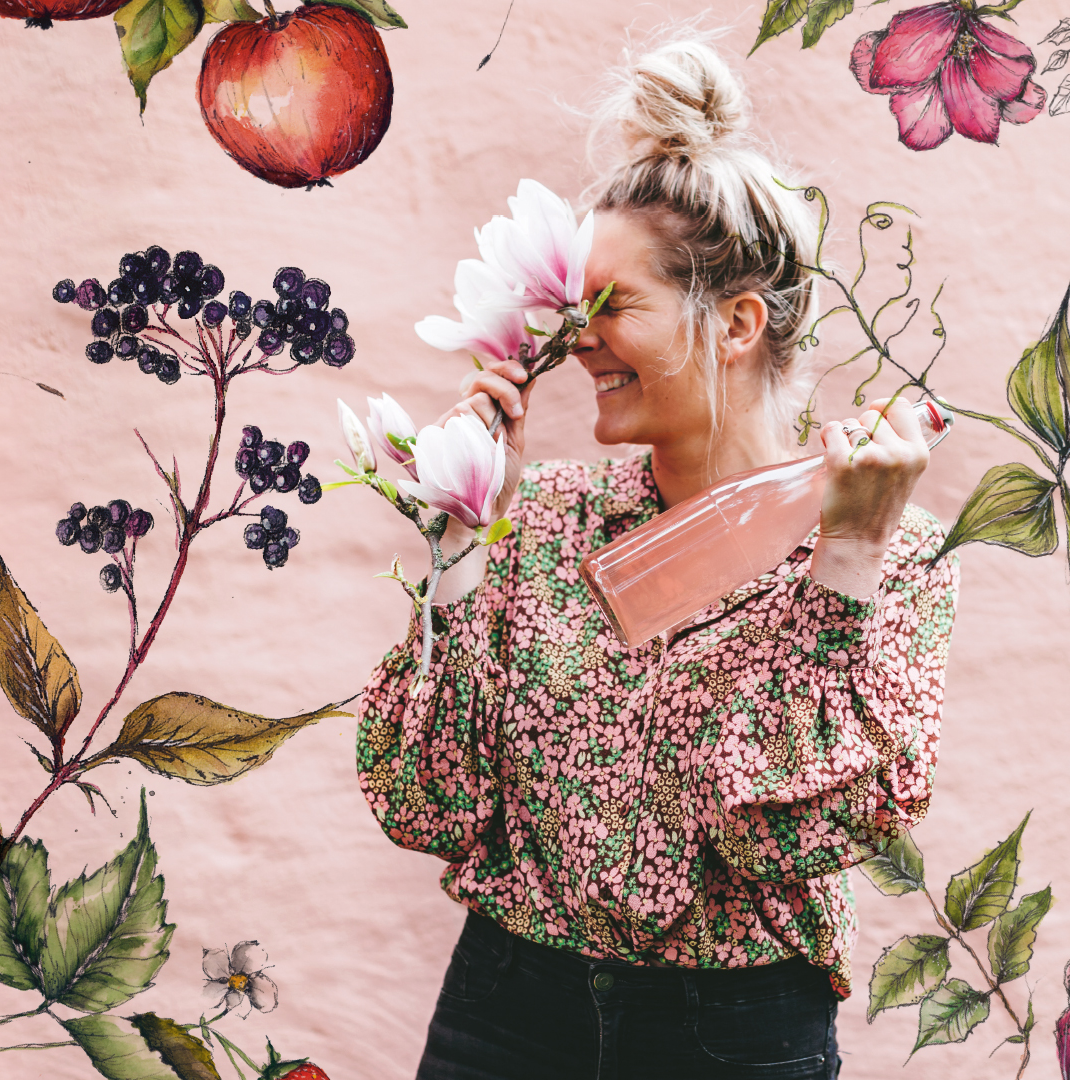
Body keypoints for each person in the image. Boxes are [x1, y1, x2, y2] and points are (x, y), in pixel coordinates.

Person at [355, 38, 959, 1080]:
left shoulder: (890, 558)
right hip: (504, 1013)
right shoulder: (538, 521)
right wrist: (460, 539)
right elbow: (425, 801)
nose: (577, 340)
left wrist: (847, 559)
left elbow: (792, 839)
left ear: (736, 323)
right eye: (574, 310)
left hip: (735, 1034)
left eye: (612, 306)